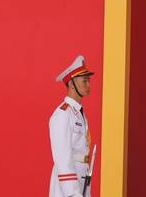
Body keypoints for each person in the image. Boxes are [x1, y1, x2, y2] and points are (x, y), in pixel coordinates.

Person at [49, 55, 95, 197]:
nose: (89, 85)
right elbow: (62, 158)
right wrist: (73, 194)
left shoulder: (78, 113)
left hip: (82, 178)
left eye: (89, 81)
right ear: (71, 84)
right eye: (84, 81)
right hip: (68, 186)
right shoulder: (63, 114)